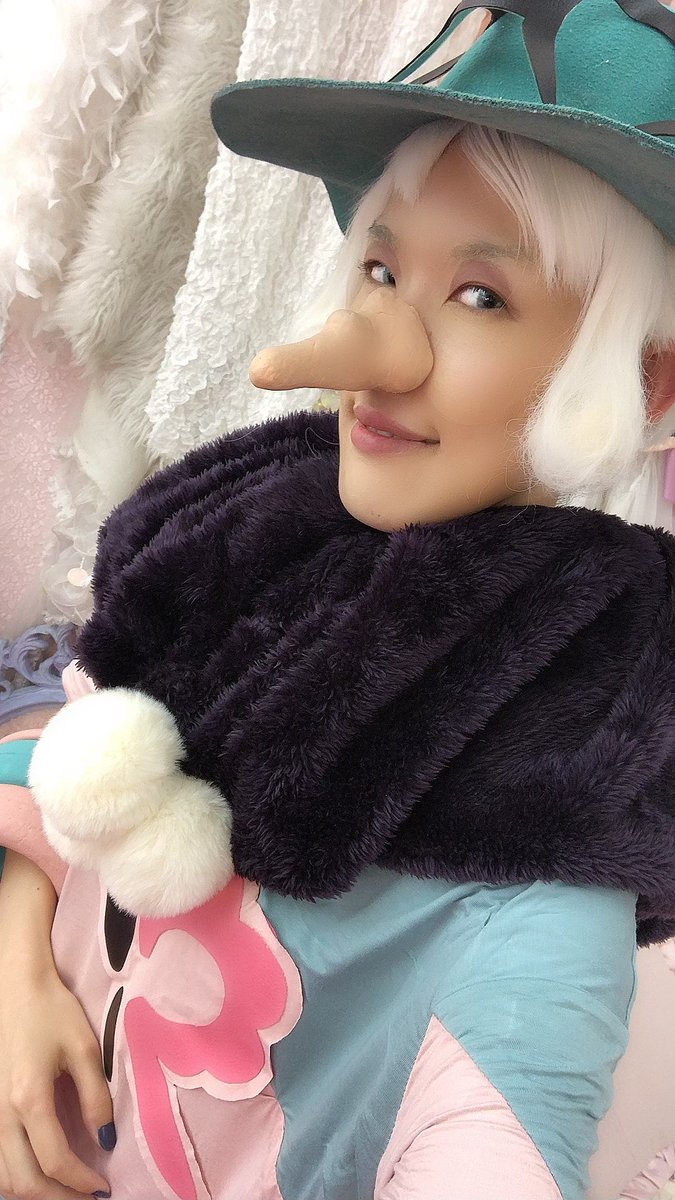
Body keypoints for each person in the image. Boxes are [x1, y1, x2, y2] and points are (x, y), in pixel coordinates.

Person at [1, 3, 675, 1198]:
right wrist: (17, 971)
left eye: (482, 297)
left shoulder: (567, 779)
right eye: (381, 268)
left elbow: (510, 1104)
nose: (374, 344)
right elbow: (67, 736)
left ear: (646, 378)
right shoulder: (238, 528)